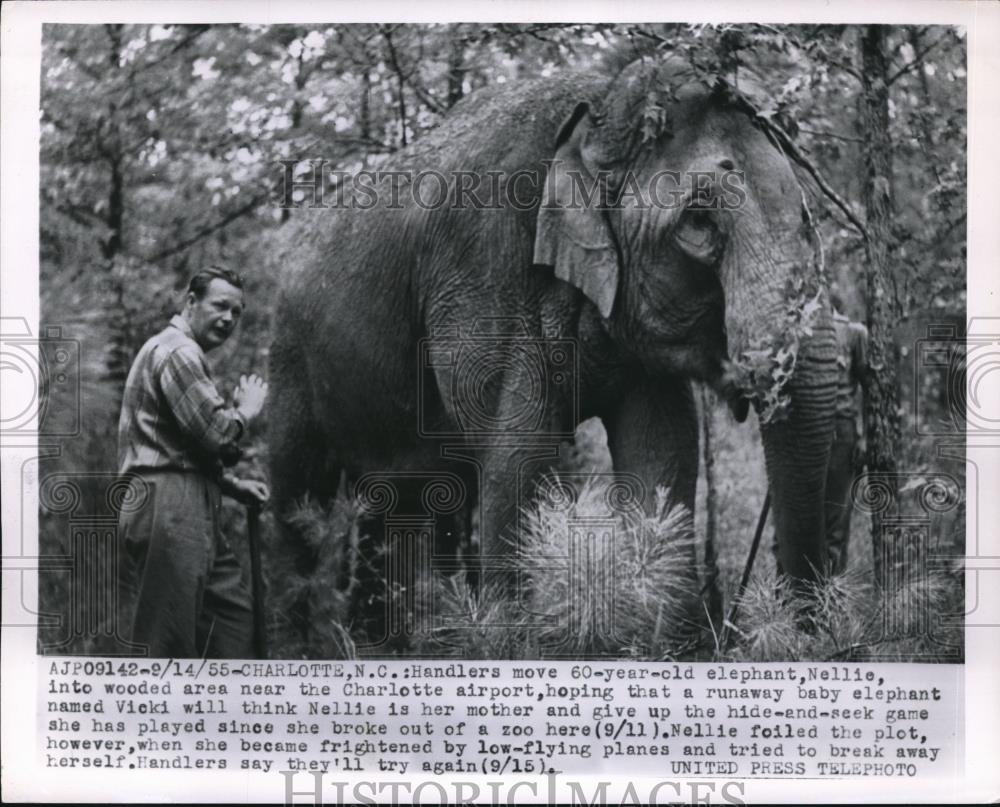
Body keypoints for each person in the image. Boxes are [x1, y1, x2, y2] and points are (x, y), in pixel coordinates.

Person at [117, 265, 269, 658]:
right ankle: (157, 717)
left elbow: (186, 444)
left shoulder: (179, 352)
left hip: (188, 500)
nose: (229, 319)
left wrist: (231, 486)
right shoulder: (178, 352)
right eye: (220, 306)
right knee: (166, 641)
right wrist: (246, 412)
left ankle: (223, 714)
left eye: (237, 312)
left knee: (232, 618)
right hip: (167, 504)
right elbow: (217, 435)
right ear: (190, 302)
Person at [824, 290, 868, 576]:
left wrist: (864, 435)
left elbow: (870, 386)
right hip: (805, 440)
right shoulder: (795, 334)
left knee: (836, 524)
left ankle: (832, 601)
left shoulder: (854, 334)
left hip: (843, 433)